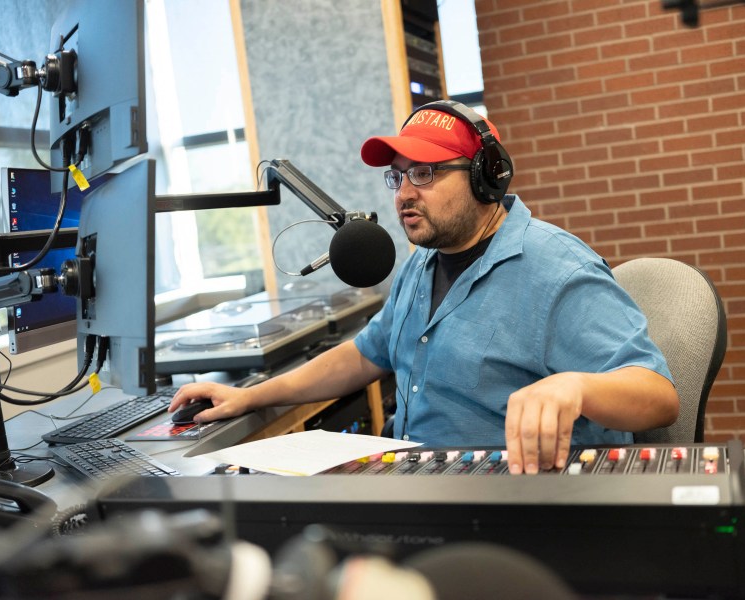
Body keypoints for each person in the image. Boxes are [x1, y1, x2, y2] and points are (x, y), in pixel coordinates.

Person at [168, 101, 679, 475]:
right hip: (420, 481)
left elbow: (658, 397)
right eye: (398, 177)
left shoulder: (556, 270)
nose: (405, 194)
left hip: (517, 501)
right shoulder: (423, 263)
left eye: (426, 173)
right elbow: (367, 354)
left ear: (486, 177)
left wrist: (577, 385)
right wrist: (250, 396)